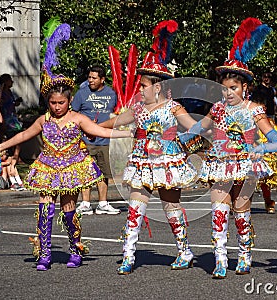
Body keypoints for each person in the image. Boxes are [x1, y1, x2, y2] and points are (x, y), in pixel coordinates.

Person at [0, 22, 132, 271]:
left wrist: (126, 133)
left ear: (69, 101)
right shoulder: (43, 120)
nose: (57, 107)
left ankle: (75, 249)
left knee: (68, 211)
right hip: (47, 167)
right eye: (53, 102)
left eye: (61, 102)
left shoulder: (77, 118)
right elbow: (23, 135)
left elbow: (99, 131)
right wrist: (2, 146)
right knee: (45, 210)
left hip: (72, 167)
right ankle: (44, 253)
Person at [184, 17, 277, 278]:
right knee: (219, 212)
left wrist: (266, 146)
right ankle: (220, 260)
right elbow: (199, 127)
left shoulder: (254, 110)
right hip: (219, 164)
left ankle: (244, 256)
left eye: (233, 88)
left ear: (245, 87)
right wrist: (179, 139)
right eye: (224, 88)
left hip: (245, 166)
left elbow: (273, 135)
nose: (228, 92)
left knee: (241, 213)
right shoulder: (217, 109)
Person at [100, 20, 198, 275]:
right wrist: (88, 123)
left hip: (166, 164)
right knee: (135, 209)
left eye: (143, 85)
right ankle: (128, 255)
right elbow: (116, 121)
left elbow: (193, 127)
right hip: (142, 163)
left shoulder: (173, 107)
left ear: (158, 87)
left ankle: (184, 250)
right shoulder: (138, 109)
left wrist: (182, 142)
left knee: (171, 209)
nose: (139, 89)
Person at [72, 65, 120, 215]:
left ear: (102, 79)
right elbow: (74, 114)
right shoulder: (81, 93)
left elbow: (115, 113)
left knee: (103, 173)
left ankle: (103, 204)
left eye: (94, 78)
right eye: (89, 77)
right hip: (85, 140)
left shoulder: (111, 94)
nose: (90, 80)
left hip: (104, 139)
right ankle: (85, 203)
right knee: (86, 172)